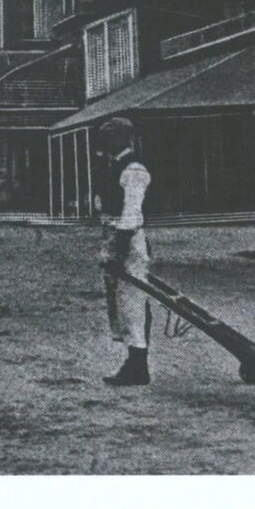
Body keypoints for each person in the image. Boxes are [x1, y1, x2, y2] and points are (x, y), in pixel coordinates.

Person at [96, 116, 153, 388]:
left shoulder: (134, 170)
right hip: (115, 238)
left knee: (132, 303)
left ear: (123, 138)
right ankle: (134, 360)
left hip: (128, 241)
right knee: (120, 303)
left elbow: (131, 214)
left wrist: (118, 251)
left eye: (109, 137)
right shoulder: (115, 166)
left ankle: (138, 365)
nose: (104, 143)